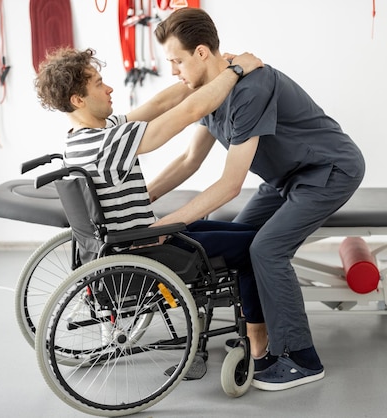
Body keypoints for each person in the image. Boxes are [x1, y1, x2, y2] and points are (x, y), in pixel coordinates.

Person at [148, 8, 366, 391]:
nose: (173, 71)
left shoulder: (251, 88)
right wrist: (144, 197)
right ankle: (257, 338)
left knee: (266, 250)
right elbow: (189, 161)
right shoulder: (210, 92)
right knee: (240, 241)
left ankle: (301, 358)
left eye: (176, 61)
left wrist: (168, 225)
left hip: (327, 171)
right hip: (284, 177)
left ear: (201, 53)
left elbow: (230, 184)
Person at [33, 47, 274, 373]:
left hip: (134, 240)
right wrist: (235, 71)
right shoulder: (108, 143)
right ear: (78, 100)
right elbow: (189, 112)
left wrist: (203, 73)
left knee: (252, 234)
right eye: (99, 83)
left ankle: (254, 327)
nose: (110, 88)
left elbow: (160, 104)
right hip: (151, 248)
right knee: (256, 248)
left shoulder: (81, 139)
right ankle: (259, 346)